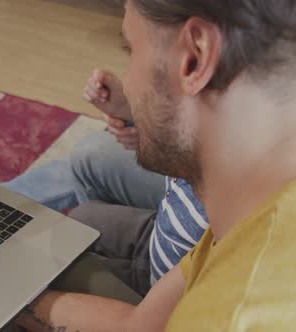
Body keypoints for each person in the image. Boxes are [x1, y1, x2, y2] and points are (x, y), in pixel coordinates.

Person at [17, 0, 296, 331]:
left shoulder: (236, 316)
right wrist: (31, 302)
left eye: (130, 50)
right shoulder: (249, 208)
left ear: (193, 58)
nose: (129, 83)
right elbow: (141, 324)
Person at [68, 68, 207, 296]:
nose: (128, 77)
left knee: (51, 276)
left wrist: (37, 307)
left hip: (167, 297)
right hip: (160, 241)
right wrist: (141, 119)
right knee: (79, 218)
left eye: (131, 50)